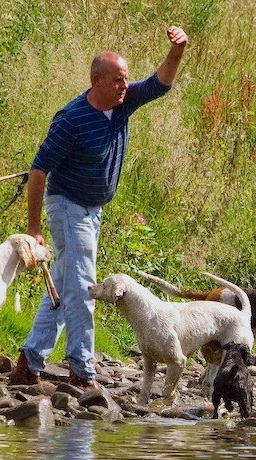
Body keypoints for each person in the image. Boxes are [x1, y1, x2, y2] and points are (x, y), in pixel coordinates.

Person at [10, 26, 188, 389]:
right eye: (118, 80)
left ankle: (28, 363)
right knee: (82, 287)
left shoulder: (122, 105)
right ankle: (81, 370)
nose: (126, 85)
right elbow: (39, 169)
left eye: (126, 79)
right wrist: (33, 228)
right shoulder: (71, 119)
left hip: (93, 211)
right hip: (68, 207)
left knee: (62, 286)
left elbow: (159, 84)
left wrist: (176, 53)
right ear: (97, 81)